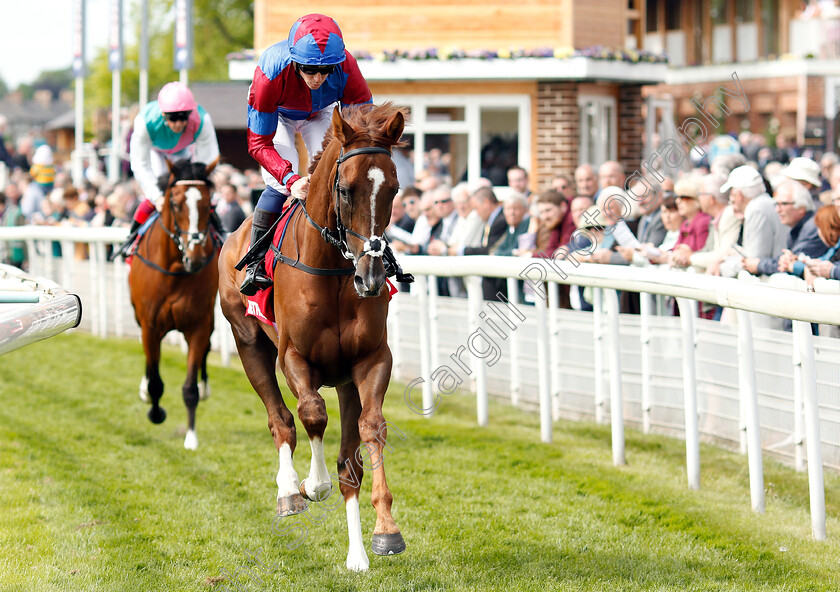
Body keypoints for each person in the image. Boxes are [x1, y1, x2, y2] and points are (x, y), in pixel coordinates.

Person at [239, 13, 375, 295]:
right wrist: (290, 179)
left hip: (320, 113)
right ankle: (255, 262)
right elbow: (259, 144)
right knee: (279, 184)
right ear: (293, 61)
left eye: (326, 71)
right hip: (276, 115)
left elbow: (362, 126)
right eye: (309, 70)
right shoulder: (269, 75)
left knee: (337, 172)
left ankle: (370, 252)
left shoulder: (347, 66)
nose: (318, 78)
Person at [113, 81, 221, 258]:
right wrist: (157, 197)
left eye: (183, 116)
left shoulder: (202, 119)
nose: (179, 123)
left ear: (191, 113)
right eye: (173, 118)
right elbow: (140, 163)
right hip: (156, 154)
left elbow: (208, 160)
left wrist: (201, 186)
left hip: (186, 154)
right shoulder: (144, 121)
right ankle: (132, 239)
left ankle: (220, 235)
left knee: (199, 198)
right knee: (156, 195)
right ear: (163, 114)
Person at [744, 179, 826, 276]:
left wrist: (759, 265)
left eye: (783, 204)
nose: (777, 210)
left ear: (801, 207)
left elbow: (788, 265)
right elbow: (785, 260)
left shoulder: (812, 228)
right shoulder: (797, 228)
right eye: (776, 204)